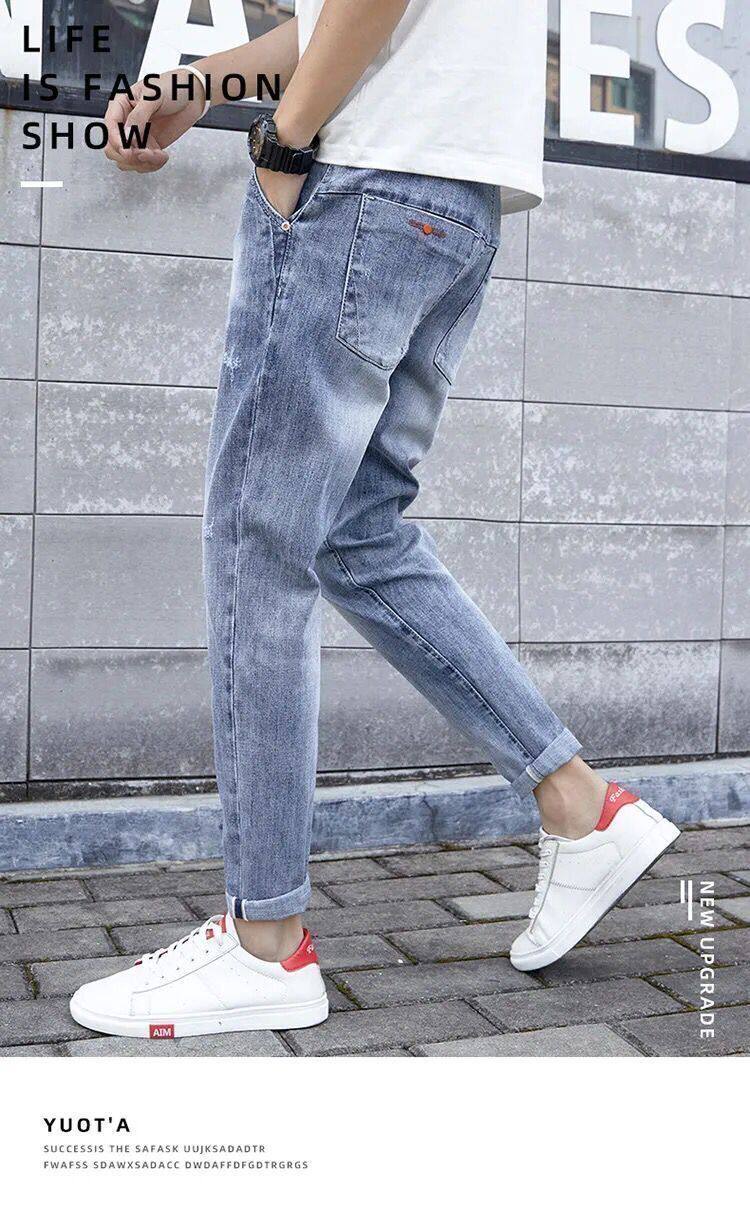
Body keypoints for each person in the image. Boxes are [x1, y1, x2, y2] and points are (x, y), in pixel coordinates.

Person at [69, 0, 679, 1040]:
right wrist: (201, 81)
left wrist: (285, 140)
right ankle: (580, 806)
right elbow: (342, 18)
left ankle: (266, 943)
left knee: (258, 542)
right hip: (452, 200)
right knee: (355, 531)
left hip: (363, 181)